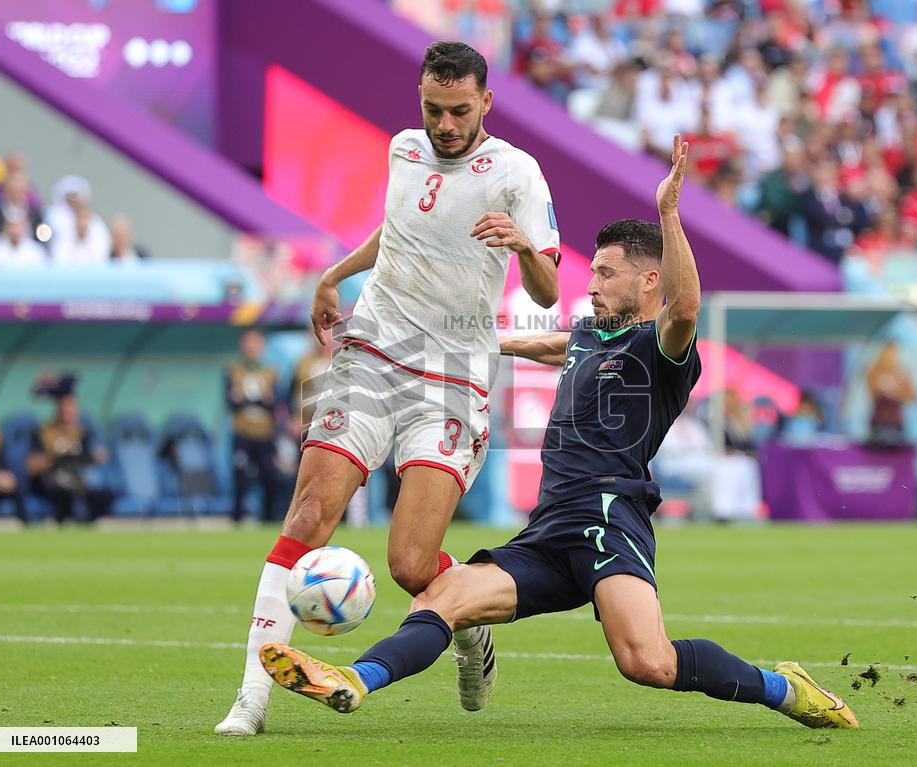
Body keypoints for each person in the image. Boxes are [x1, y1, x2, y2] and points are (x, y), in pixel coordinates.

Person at [258, 135, 859, 731]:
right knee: (442, 599)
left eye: (604, 272)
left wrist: (669, 213)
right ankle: (355, 680)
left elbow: (685, 310)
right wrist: (470, 342)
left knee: (647, 661)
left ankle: (786, 689)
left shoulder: (662, 348)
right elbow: (551, 342)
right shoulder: (588, 335)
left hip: (607, 516)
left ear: (648, 282)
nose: (590, 282)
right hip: (549, 527)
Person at [215, 41, 561, 735]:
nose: (445, 124)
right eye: (433, 109)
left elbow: (548, 294)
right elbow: (400, 231)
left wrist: (523, 245)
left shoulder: (519, 174)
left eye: (459, 111)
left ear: (486, 102)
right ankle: (251, 697)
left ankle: (466, 625)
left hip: (453, 376)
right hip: (373, 350)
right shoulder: (404, 148)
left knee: (409, 562)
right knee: (310, 514)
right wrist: (333, 274)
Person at [25, 374, 112, 524]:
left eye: (71, 408)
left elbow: (96, 457)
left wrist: (95, 456)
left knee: (103, 495)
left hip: (78, 482)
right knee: (64, 497)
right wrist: (55, 456)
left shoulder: (83, 433)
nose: (68, 412)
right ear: (58, 409)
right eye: (64, 407)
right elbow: (30, 465)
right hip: (52, 483)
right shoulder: (44, 432)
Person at [227, 329, 282, 523]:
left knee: (269, 477)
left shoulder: (270, 371)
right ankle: (237, 517)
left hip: (265, 434)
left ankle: (268, 518)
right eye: (249, 343)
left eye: (256, 343)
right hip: (242, 433)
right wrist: (259, 400)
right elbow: (231, 402)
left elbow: (274, 403)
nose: (252, 347)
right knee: (240, 477)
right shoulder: (234, 369)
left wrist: (248, 400)